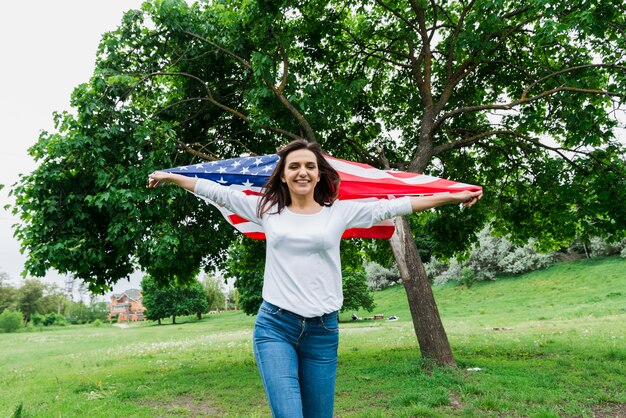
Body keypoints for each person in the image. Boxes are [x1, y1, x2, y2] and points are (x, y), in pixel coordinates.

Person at [148, 139, 482, 418]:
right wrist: (172, 176)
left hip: (323, 331)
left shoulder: (340, 212)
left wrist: (452, 195)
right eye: (294, 166)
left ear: (318, 174)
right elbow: (214, 190)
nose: (302, 172)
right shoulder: (266, 211)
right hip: (275, 327)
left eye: (309, 165)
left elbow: (400, 204)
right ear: (283, 176)